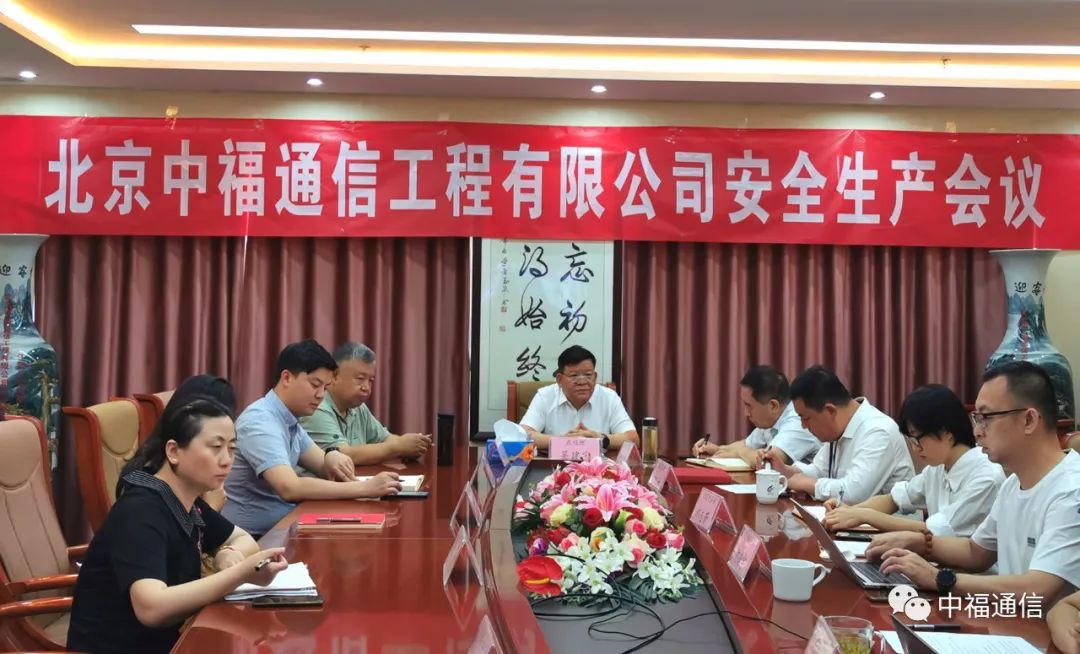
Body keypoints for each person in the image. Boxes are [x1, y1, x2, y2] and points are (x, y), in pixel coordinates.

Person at [67, 398, 288, 654]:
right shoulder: (141, 511)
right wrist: (240, 573)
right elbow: (151, 609)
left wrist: (228, 553)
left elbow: (242, 539)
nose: (227, 460)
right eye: (216, 447)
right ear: (173, 452)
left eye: (232, 448)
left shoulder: (186, 500)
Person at [871, 362, 1080, 604]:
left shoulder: (1071, 490)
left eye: (986, 418)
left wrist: (939, 578)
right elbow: (976, 552)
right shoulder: (1013, 484)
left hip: (1040, 627)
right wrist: (921, 543)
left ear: (1029, 420)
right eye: (976, 419)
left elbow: (1038, 589)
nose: (977, 432)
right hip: (1008, 619)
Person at [223, 340, 402, 537]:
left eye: (325, 388)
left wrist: (332, 455)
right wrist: (365, 488)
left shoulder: (290, 419)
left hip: (286, 525)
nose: (320, 395)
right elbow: (290, 488)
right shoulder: (260, 421)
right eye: (315, 385)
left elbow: (324, 466)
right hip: (254, 538)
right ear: (287, 378)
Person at [822, 384, 1004, 536]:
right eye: (910, 440)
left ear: (946, 433)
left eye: (917, 439)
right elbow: (894, 499)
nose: (915, 448)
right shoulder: (937, 468)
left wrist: (865, 516)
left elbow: (933, 531)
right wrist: (849, 512)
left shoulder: (986, 477)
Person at [765, 365, 913, 504]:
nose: (803, 426)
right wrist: (786, 471)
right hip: (847, 519)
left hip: (885, 522)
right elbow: (820, 471)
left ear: (830, 411)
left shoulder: (878, 432)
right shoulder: (839, 429)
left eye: (806, 418)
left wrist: (807, 484)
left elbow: (854, 494)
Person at [299, 342, 432, 465]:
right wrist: (398, 447)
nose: (366, 387)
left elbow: (386, 439)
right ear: (334, 377)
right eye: (360, 378)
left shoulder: (358, 408)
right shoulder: (316, 407)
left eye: (371, 380)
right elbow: (342, 454)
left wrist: (411, 445)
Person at [692, 365, 820, 467]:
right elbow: (746, 445)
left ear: (773, 406)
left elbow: (769, 461)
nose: (746, 413)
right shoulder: (771, 421)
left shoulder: (799, 422)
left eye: (749, 406)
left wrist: (739, 452)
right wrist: (716, 449)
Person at [519, 345, 639, 451]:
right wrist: (562, 440)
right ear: (559, 379)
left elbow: (633, 439)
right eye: (574, 376)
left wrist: (600, 438)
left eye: (588, 375)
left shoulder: (609, 397)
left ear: (595, 377)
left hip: (598, 467)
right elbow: (522, 435)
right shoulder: (545, 396)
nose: (582, 382)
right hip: (554, 466)